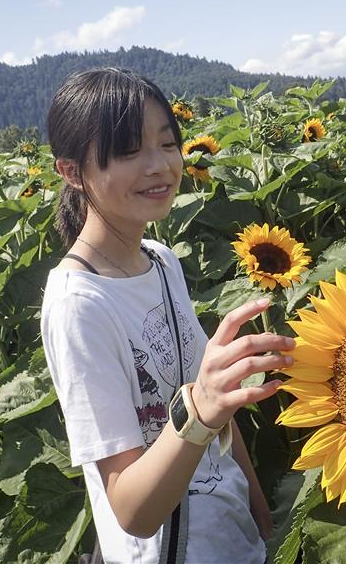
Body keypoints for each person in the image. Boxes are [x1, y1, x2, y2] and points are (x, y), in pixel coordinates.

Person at [40, 68, 292, 564]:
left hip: (234, 542)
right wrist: (199, 409)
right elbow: (131, 510)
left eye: (167, 143)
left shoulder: (161, 260)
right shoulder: (79, 305)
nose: (160, 165)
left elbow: (217, 410)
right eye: (131, 151)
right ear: (71, 172)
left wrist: (262, 524)